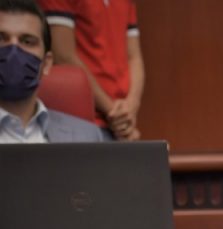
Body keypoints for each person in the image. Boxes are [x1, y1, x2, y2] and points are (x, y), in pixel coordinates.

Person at [38, 0, 144, 141]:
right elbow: (62, 56)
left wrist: (130, 108)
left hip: (122, 123)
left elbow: (134, 57)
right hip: (79, 121)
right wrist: (114, 113)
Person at [0, 0, 102, 142]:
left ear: (47, 63)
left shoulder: (88, 136)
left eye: (27, 41)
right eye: (1, 39)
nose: (13, 51)